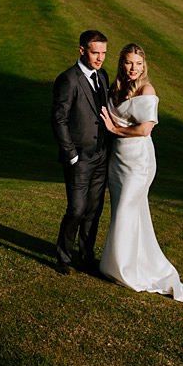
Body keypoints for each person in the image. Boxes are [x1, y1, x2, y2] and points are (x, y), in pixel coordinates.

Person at [98, 43, 183, 306]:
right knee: (126, 211)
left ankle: (123, 270)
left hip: (139, 161)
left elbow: (144, 130)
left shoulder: (147, 90)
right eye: (128, 63)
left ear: (143, 65)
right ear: (121, 63)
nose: (133, 68)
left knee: (127, 208)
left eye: (138, 64)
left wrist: (115, 130)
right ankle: (123, 263)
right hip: (118, 161)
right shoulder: (115, 89)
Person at [51, 29, 111, 275]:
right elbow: (58, 119)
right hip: (79, 159)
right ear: (82, 50)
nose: (100, 58)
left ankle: (86, 256)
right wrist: (72, 155)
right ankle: (63, 257)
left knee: (93, 211)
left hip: (101, 157)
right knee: (76, 209)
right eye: (95, 53)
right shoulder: (68, 79)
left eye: (104, 53)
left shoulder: (103, 76)